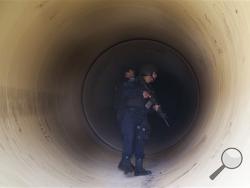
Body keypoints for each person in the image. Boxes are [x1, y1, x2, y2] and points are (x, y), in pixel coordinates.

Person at [116, 65, 159, 176]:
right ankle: (125, 163)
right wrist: (140, 93)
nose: (153, 79)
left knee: (140, 141)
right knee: (129, 138)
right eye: (152, 76)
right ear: (146, 73)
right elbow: (124, 92)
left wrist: (154, 108)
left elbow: (147, 107)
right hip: (129, 114)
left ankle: (139, 168)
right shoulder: (133, 82)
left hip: (141, 116)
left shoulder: (150, 89)